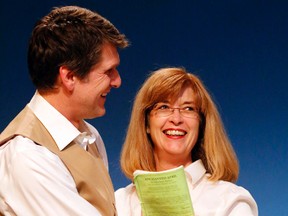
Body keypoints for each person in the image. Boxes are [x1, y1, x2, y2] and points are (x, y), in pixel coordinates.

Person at [0, 5, 129, 215]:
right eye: (108, 71)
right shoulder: (26, 157)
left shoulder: (90, 136)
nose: (117, 81)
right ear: (69, 77)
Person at [115, 67, 258, 215]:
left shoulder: (231, 200)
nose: (176, 119)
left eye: (188, 108)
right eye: (164, 107)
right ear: (146, 123)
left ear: (201, 124)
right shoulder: (120, 203)